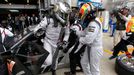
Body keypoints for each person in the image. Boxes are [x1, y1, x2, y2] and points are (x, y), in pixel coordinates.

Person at [34, 2, 71, 75]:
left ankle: (54, 71)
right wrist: (39, 31)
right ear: (57, 11)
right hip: (48, 42)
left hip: (57, 44)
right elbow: (36, 30)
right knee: (49, 61)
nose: (65, 16)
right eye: (63, 14)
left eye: (66, 15)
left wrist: (64, 42)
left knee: (55, 60)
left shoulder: (66, 22)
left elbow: (67, 34)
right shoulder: (47, 19)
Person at [71, 2, 104, 75]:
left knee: (94, 69)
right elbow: (85, 32)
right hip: (90, 47)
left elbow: (88, 39)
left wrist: (79, 39)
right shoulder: (92, 22)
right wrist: (76, 32)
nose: (83, 17)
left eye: (84, 15)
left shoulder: (93, 24)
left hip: (95, 49)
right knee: (84, 63)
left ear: (89, 14)